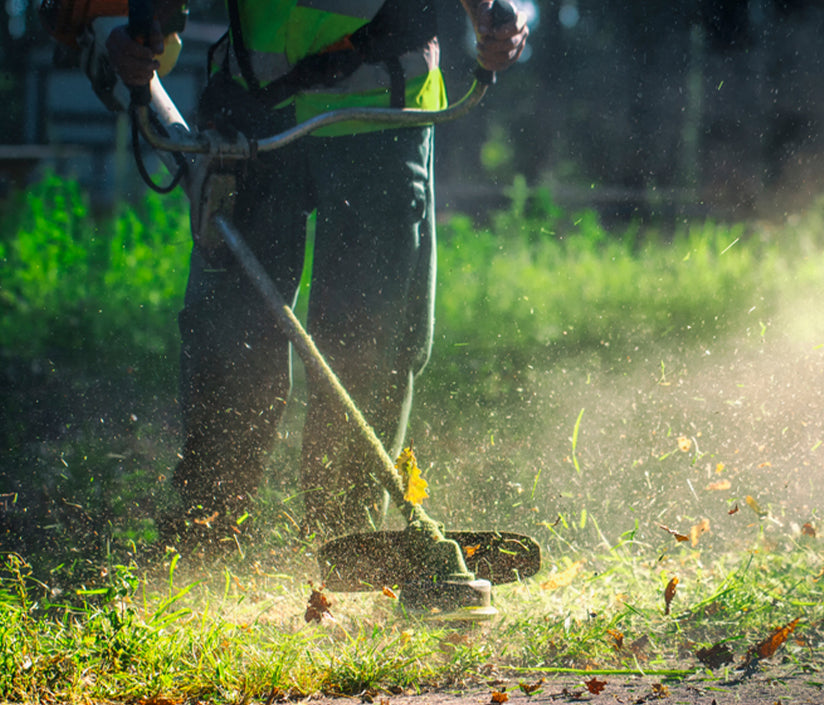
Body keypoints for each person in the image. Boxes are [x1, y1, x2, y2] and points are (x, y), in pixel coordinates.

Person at [105, 0, 528, 544]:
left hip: (383, 111)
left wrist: (494, 13)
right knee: (231, 337)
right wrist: (147, 30)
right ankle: (204, 529)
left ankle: (347, 544)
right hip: (253, 112)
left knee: (369, 341)